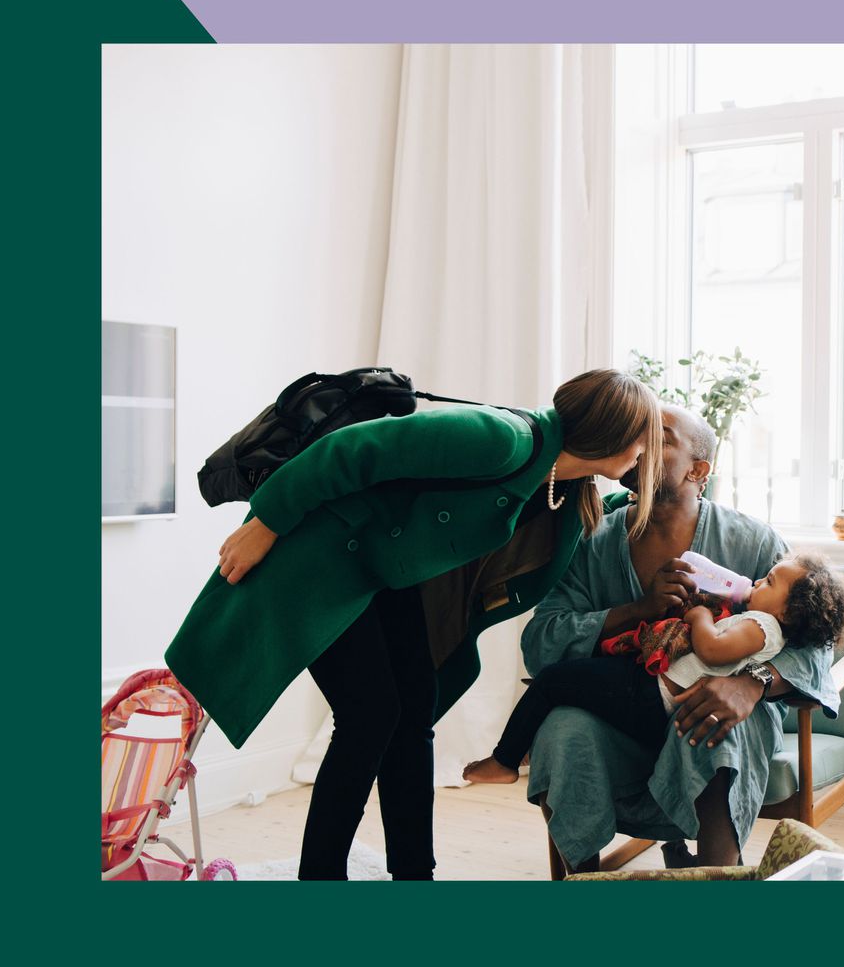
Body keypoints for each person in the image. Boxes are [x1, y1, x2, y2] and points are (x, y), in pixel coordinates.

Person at [164, 369, 663, 880]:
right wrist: (264, 523)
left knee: (411, 714)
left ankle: (413, 874)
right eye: (646, 438)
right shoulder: (502, 440)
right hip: (323, 558)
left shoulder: (564, 482)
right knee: (370, 717)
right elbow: (348, 450)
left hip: (380, 574)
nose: (649, 451)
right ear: (614, 434)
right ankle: (320, 876)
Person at [519, 404, 842, 869]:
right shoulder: (592, 544)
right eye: (638, 432)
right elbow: (540, 641)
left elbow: (817, 647)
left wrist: (752, 684)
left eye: (661, 436)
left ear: (698, 469)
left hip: (717, 719)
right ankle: (585, 887)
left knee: (714, 718)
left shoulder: (754, 543)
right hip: (624, 717)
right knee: (564, 727)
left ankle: (716, 890)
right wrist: (636, 611)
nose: (641, 442)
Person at [463, 552, 844, 785]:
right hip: (653, 692)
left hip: (652, 696)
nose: (757, 580)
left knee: (553, 681)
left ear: (788, 611)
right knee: (573, 684)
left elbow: (714, 650)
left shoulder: (761, 626)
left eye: (769, 581)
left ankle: (505, 760)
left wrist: (700, 615)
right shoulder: (759, 621)